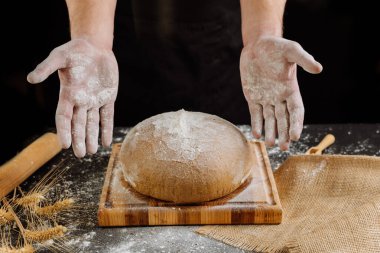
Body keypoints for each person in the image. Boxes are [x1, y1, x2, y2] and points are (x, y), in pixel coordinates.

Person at [27, 0, 322, 158]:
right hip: (120, 41)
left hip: (227, 43)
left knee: (223, 160)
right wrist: (92, 38)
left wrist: (262, 33)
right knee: (129, 158)